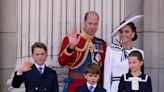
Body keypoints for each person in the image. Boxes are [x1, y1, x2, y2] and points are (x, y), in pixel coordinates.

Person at [58, 11, 107, 92]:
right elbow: (61, 62)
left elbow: (102, 70)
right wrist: (71, 47)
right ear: (84, 22)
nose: (92, 27)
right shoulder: (71, 39)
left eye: (95, 24)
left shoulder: (101, 44)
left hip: (94, 88)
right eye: (90, 23)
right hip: (74, 86)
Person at [103, 15, 144, 92]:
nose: (123, 34)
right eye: (121, 32)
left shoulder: (140, 53)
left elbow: (141, 76)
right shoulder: (111, 50)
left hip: (133, 88)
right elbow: (107, 76)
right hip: (116, 88)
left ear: (133, 34)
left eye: (127, 31)